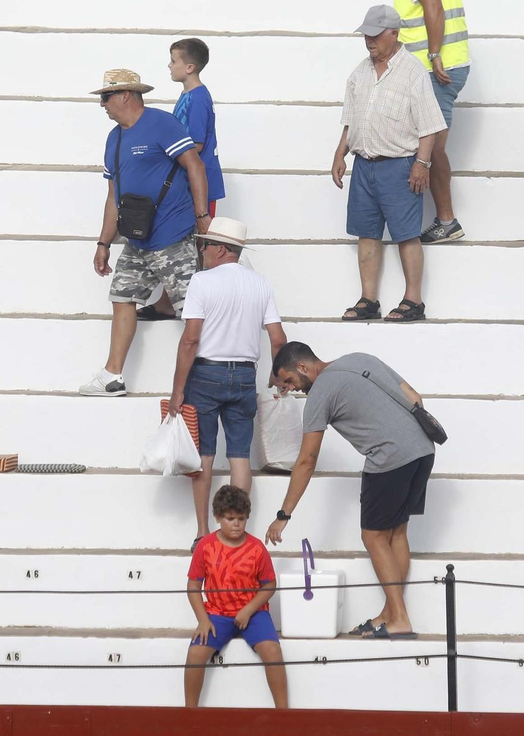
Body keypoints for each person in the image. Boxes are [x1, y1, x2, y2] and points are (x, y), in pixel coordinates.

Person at [267, 341, 436, 640]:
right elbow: (414, 396)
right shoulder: (359, 357)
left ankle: (400, 619)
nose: (291, 389)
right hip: (423, 449)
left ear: (303, 367)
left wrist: (284, 514)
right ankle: (391, 613)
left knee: (372, 535)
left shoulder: (319, 393)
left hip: (390, 457)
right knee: (396, 533)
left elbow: (307, 460)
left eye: (290, 381)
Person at [80, 69, 211, 397]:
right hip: (138, 238)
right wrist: (103, 243)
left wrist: (201, 217)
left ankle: (207, 376)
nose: (102, 105)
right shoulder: (115, 137)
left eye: (105, 97)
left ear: (125, 95)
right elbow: (113, 194)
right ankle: (112, 375)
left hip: (174, 235)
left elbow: (195, 166)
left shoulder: (161, 124)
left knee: (193, 309)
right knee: (122, 297)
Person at [168, 218, 288, 547]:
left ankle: (202, 533)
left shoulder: (201, 282)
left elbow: (190, 341)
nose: (201, 250)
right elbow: (278, 339)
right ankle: (236, 531)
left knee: (204, 456)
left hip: (206, 373)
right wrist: (277, 377)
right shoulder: (260, 284)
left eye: (205, 245)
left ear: (220, 249)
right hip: (245, 375)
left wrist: (178, 390)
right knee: (239, 457)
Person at [332, 5, 445, 323]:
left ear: (394, 34)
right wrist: (340, 153)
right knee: (366, 234)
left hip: (399, 164)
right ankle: (368, 298)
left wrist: (421, 164)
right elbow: (349, 120)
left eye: (375, 34)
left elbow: (429, 126)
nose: (369, 40)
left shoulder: (412, 72)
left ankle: (413, 300)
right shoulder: (360, 72)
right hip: (364, 164)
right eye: (366, 34)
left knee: (406, 234)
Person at [379, 0, 471, 245]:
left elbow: (433, 7)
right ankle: (444, 220)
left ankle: (445, 220)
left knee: (429, 148)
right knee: (431, 147)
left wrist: (434, 55)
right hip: (446, 66)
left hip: (438, 69)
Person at [140, 38, 224, 322]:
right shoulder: (189, 95)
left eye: (174, 60)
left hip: (197, 184)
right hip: (184, 182)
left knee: (196, 245)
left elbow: (195, 146)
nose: (169, 65)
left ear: (189, 67)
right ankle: (166, 302)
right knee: (178, 242)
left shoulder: (198, 97)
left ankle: (201, 306)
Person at [184, 485, 288, 710]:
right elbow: (193, 585)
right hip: (216, 614)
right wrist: (203, 620)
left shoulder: (257, 548)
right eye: (230, 518)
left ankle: (284, 714)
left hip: (253, 613)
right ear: (218, 517)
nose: (237, 524)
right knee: (195, 653)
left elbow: (269, 585)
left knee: (272, 650)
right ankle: (189, 714)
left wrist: (249, 609)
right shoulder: (205, 546)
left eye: (241, 518)